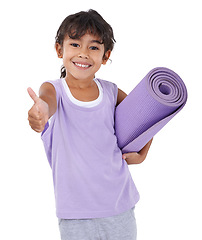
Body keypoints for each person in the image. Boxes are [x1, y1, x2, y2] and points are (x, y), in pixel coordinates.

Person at [27, 9, 152, 240]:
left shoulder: (111, 92)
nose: (83, 53)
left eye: (93, 47)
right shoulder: (55, 90)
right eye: (75, 44)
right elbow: (46, 102)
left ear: (105, 56)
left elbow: (147, 116)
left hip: (119, 206)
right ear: (59, 49)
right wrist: (41, 112)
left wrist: (143, 153)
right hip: (76, 214)